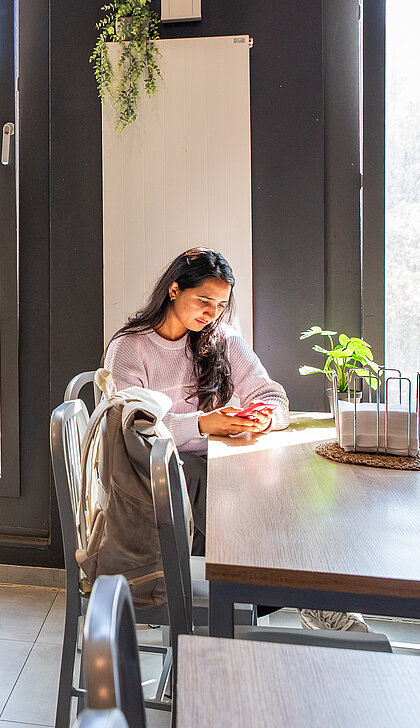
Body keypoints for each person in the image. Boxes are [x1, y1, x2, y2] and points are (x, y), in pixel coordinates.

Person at [102, 247, 369, 632]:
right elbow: (129, 432)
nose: (212, 313)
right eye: (204, 301)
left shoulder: (221, 338)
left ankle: (310, 595)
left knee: (293, 482)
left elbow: (272, 394)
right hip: (153, 482)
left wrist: (263, 418)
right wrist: (203, 424)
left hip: (212, 471)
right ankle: (312, 597)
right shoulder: (130, 348)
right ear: (174, 290)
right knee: (229, 488)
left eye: (220, 305)